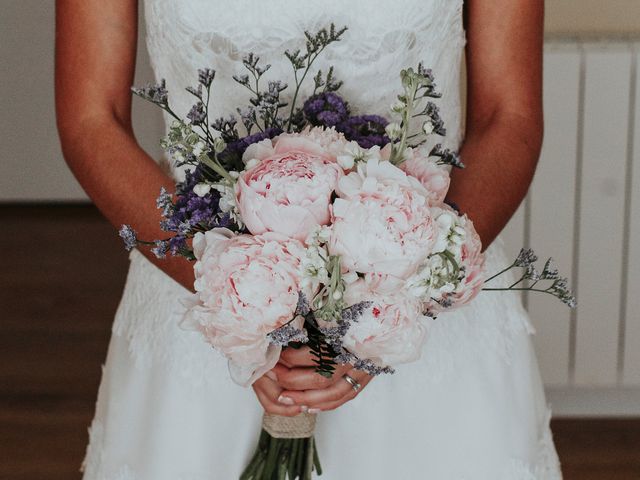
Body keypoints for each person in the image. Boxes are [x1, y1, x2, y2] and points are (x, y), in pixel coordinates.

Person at [56, 0, 561, 478]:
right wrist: (245, 301)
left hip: (422, 305)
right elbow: (92, 120)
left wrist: (391, 305)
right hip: (196, 292)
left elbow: (507, 116)